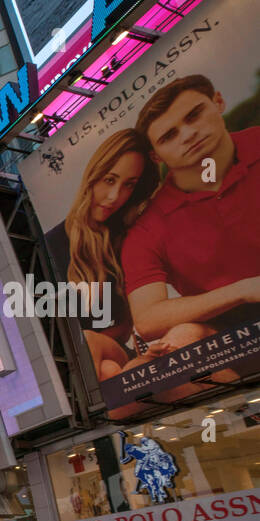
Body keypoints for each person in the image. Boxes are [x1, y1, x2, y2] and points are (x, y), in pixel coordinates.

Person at [123, 75, 260, 356]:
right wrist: (244, 290)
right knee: (182, 337)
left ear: (218, 102)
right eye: (169, 135)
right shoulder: (148, 228)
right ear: (156, 156)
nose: (187, 134)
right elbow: (148, 319)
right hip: (234, 332)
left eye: (194, 115)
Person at [45, 128, 161, 381]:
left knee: (99, 357)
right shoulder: (52, 245)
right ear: (93, 176)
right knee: (103, 364)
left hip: (110, 354)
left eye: (128, 185)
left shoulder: (129, 234)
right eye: (110, 180)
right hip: (83, 366)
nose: (114, 197)